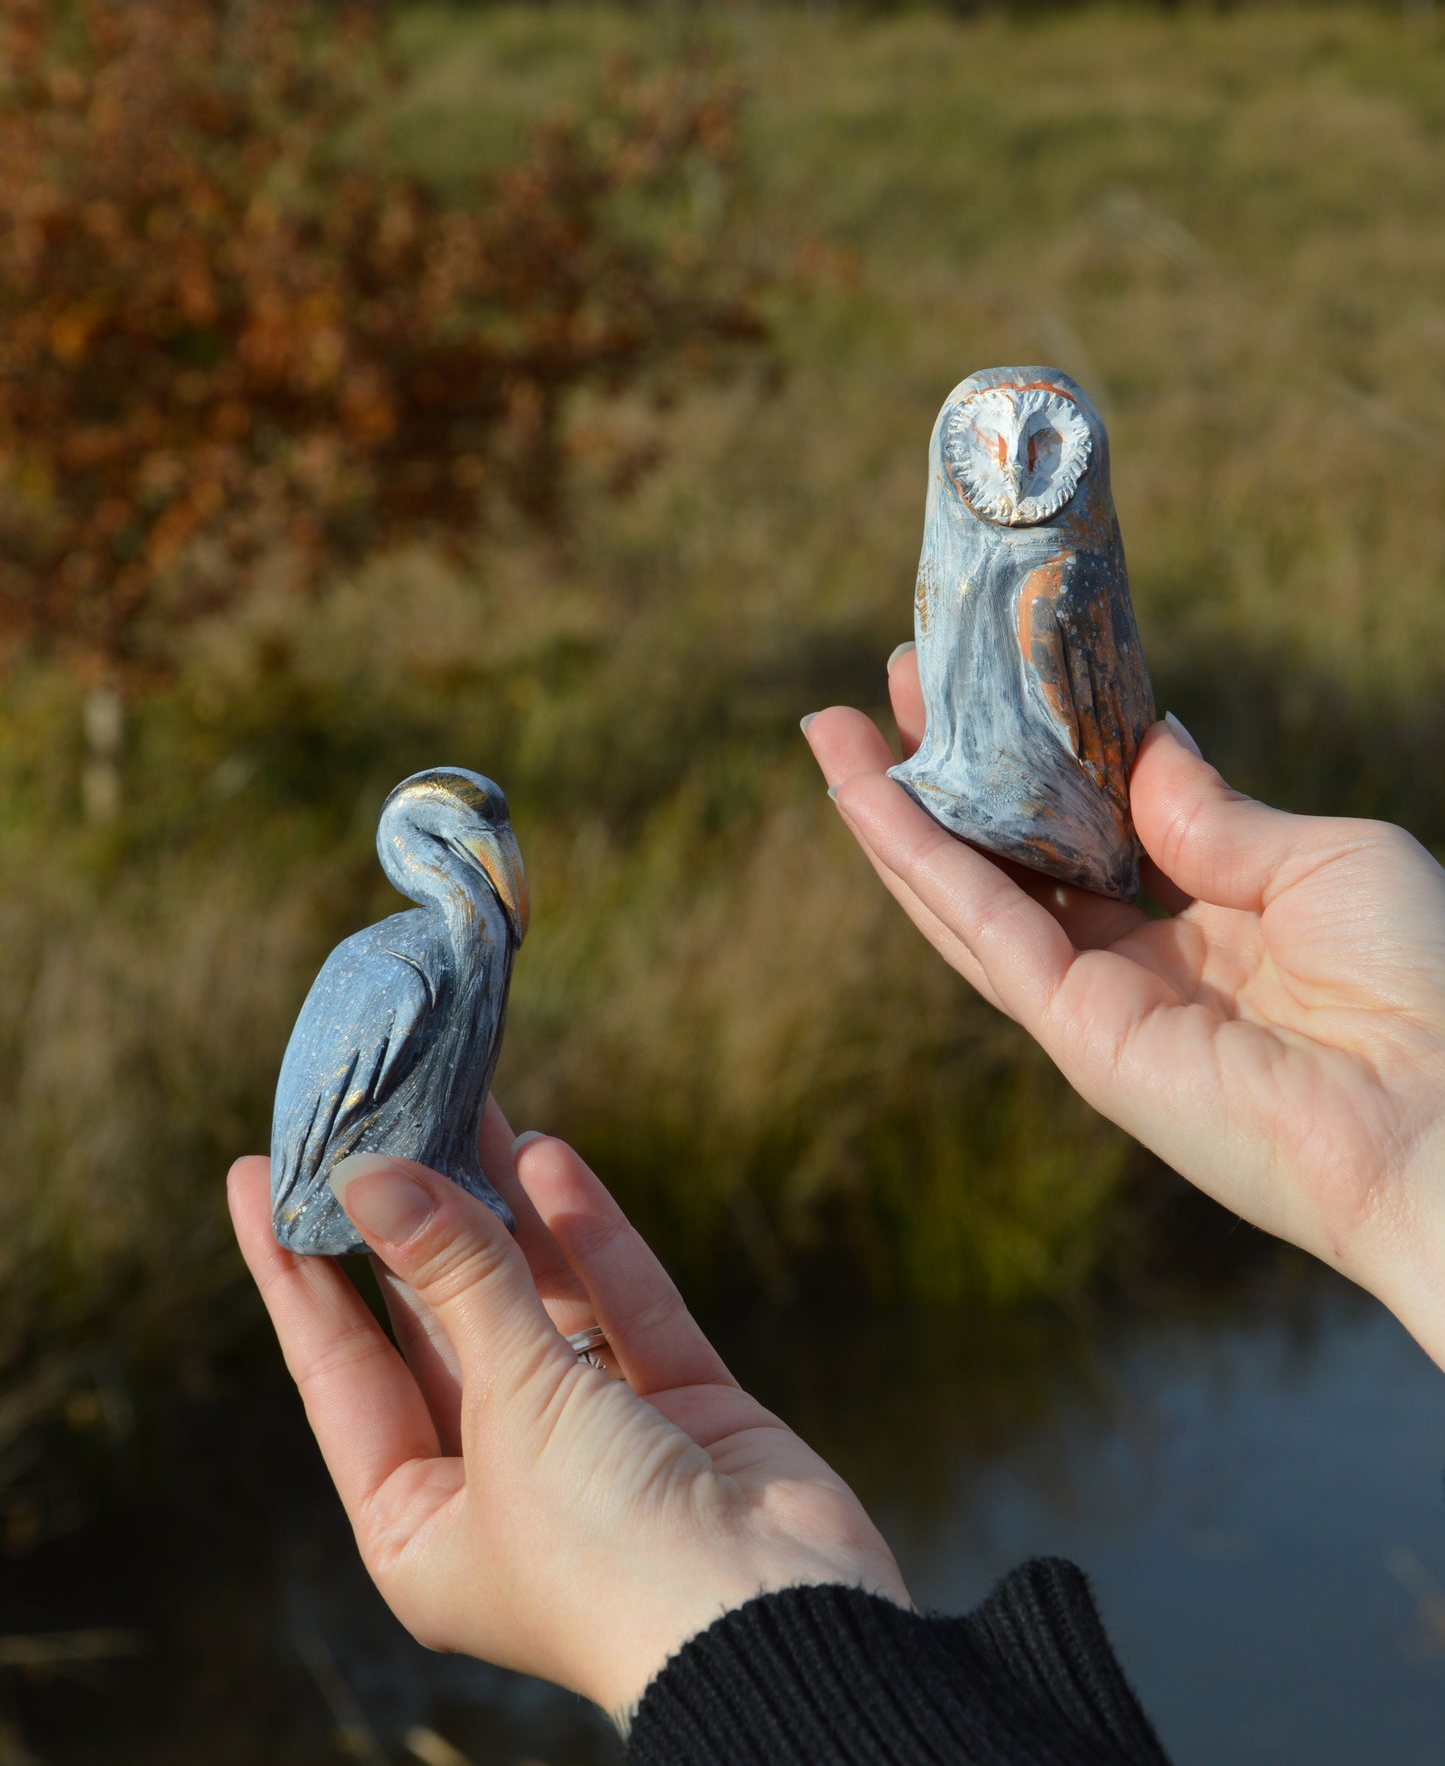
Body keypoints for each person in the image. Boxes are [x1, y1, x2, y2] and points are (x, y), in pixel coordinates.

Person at [229, 644, 1445, 1762]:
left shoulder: (465, 944)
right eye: (469, 832)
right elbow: (333, 1127)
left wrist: (1404, 1153)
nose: (497, 861)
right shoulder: (397, 961)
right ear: (419, 841)